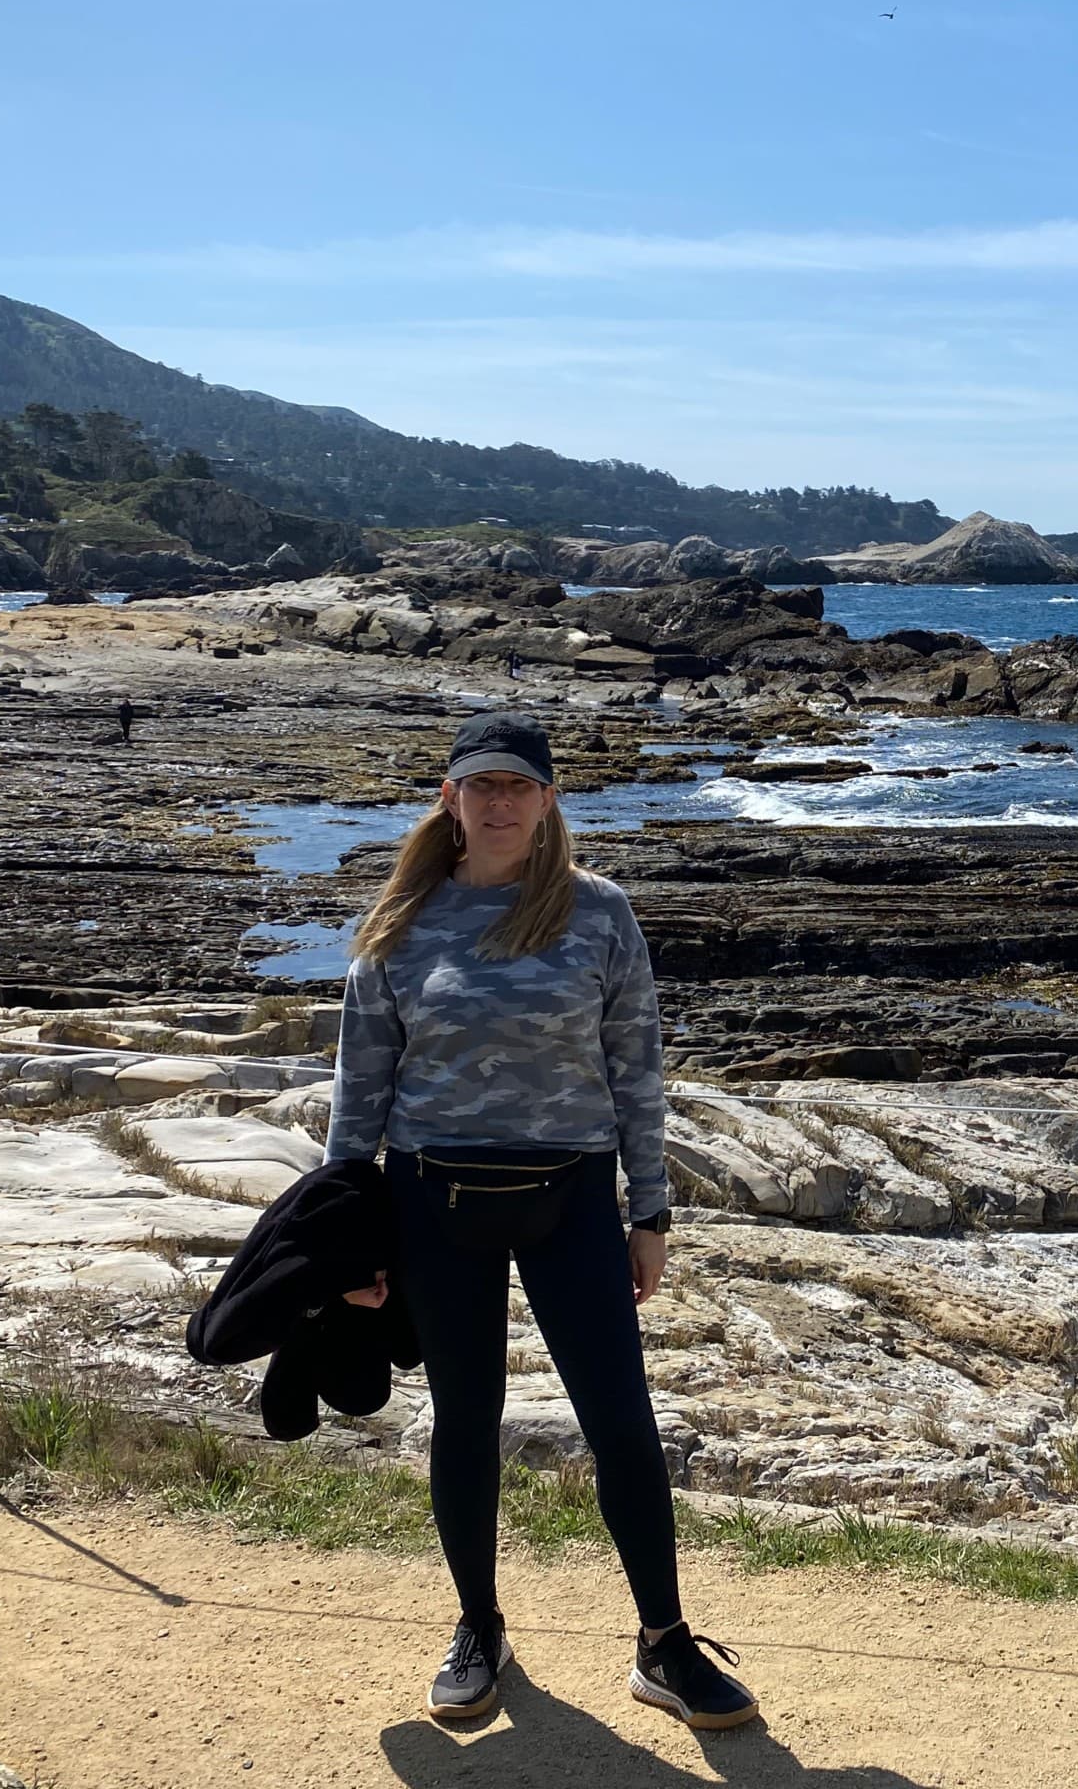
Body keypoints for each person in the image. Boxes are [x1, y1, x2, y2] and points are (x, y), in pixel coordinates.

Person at [322, 710, 756, 1732]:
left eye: (520, 784)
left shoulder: (600, 912)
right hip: (434, 1203)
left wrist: (651, 1210)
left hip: (574, 1201)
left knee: (623, 1422)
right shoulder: (400, 922)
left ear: (550, 798)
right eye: (483, 785)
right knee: (464, 1422)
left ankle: (664, 1643)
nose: (502, 800)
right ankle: (479, 1626)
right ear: (450, 799)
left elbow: (638, 1071)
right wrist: (345, 1235)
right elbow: (359, 1092)